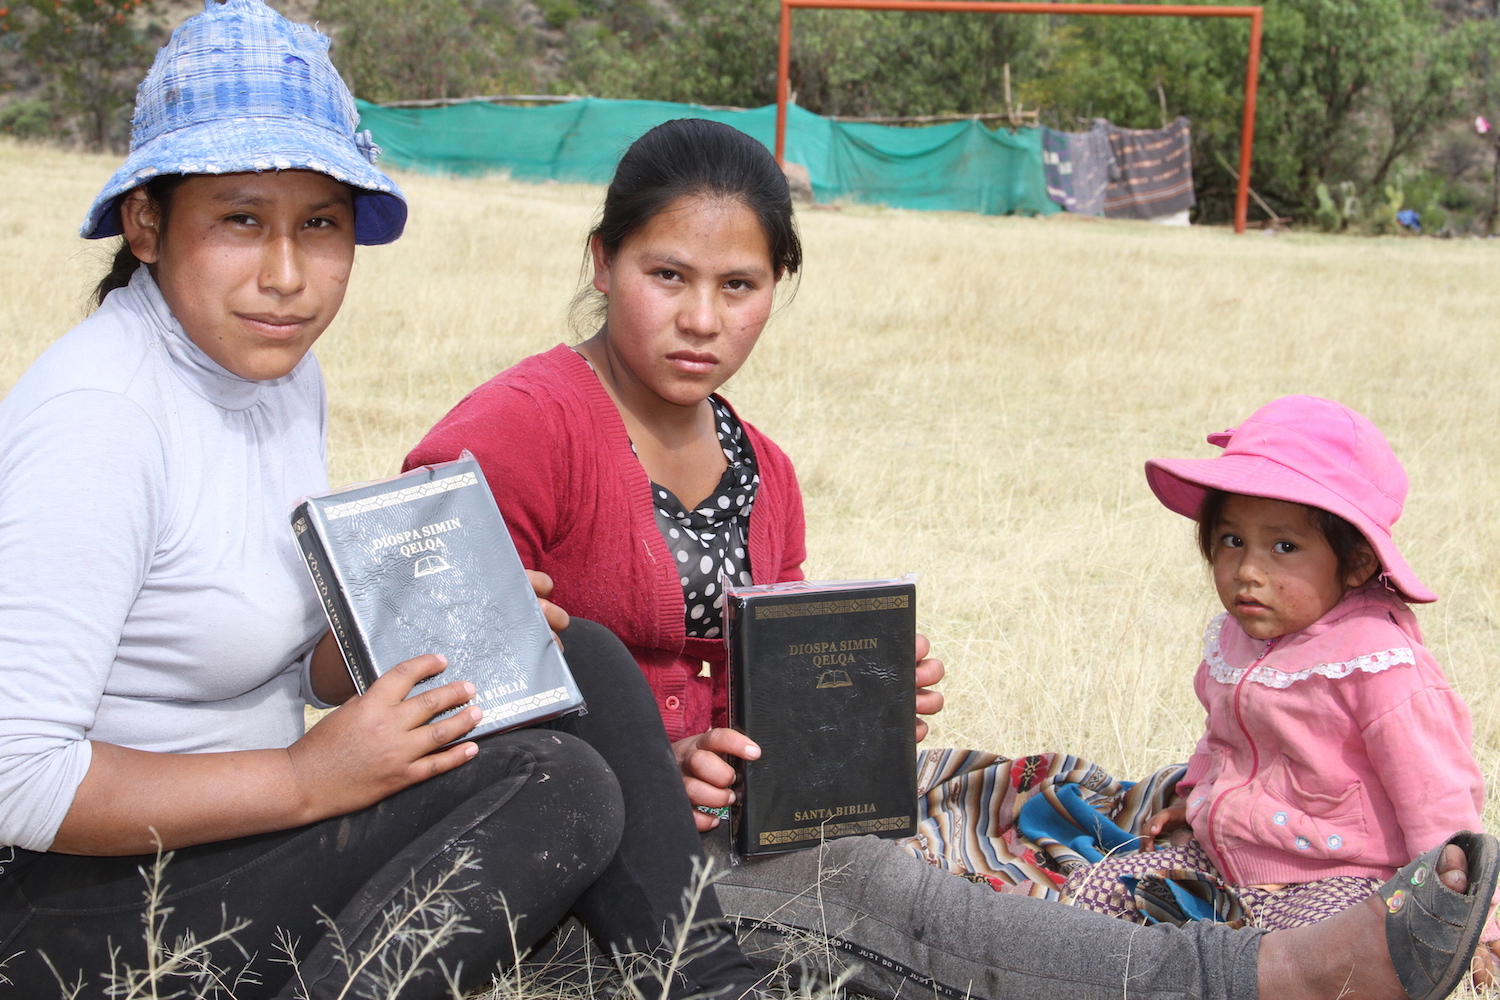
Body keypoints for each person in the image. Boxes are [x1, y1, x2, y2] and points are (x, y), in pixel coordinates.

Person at [404, 117, 1500, 1000]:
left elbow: (749, 710)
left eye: (739, 286)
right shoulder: (523, 428)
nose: (702, 318)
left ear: (779, 285)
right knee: (881, 889)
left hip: (720, 828)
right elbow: (413, 690)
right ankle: (1265, 976)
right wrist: (662, 762)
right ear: (603, 263)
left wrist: (845, 714)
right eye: (667, 275)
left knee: (959, 825)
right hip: (593, 863)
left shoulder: (761, 468)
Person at [0, 7, 766, 999]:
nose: (286, 276)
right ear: (146, 223)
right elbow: (20, 778)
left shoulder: (276, 372)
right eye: (241, 220)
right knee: (556, 790)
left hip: (242, 840)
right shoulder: (100, 419)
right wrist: (304, 780)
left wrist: (444, 620)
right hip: (78, 905)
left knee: (577, 657)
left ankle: (707, 980)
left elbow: (291, 658)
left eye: (319, 224)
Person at [1060, 396, 1492, 936]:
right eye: (1232, 541)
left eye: (1284, 546)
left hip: (1344, 879)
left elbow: (1438, 800)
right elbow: (1223, 737)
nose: (1247, 570)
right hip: (1227, 863)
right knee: (1090, 892)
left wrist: (1471, 924)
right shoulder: (1237, 637)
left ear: (1357, 561)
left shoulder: (1378, 665)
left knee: (1314, 957)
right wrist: (1198, 799)